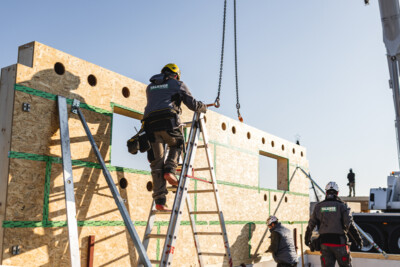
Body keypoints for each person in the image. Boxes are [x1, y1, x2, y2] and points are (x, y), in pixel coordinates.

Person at [143, 63, 207, 211]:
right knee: (177, 144)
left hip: (150, 127)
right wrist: (203, 107)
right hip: (168, 123)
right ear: (176, 74)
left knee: (156, 163)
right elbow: (192, 104)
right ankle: (170, 171)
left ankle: (159, 201)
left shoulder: (150, 87)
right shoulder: (178, 84)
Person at [305, 182, 363, 267]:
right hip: (340, 243)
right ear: (337, 193)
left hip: (324, 244)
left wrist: (307, 239)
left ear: (326, 192)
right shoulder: (342, 206)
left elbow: (310, 225)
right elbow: (349, 224)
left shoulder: (318, 207)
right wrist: (358, 240)